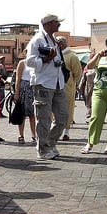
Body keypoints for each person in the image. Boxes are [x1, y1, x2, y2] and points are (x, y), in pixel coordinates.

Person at [25, 14, 68, 160]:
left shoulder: (53, 40)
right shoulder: (37, 40)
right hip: (43, 83)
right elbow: (29, 61)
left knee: (63, 117)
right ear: (48, 24)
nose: (59, 25)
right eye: (56, 23)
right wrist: (45, 59)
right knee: (43, 119)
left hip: (57, 82)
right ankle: (43, 149)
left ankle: (49, 142)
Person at [56, 35, 82, 141]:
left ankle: (66, 131)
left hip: (67, 86)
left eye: (56, 42)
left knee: (67, 108)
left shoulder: (72, 56)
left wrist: (71, 82)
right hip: (54, 85)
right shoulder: (54, 54)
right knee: (54, 109)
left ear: (61, 44)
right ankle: (55, 131)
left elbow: (77, 72)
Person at [14, 49, 36, 144]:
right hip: (23, 88)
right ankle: (21, 135)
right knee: (21, 113)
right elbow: (18, 79)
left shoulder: (35, 63)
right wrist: (16, 92)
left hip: (33, 88)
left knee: (32, 114)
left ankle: (34, 135)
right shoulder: (22, 63)